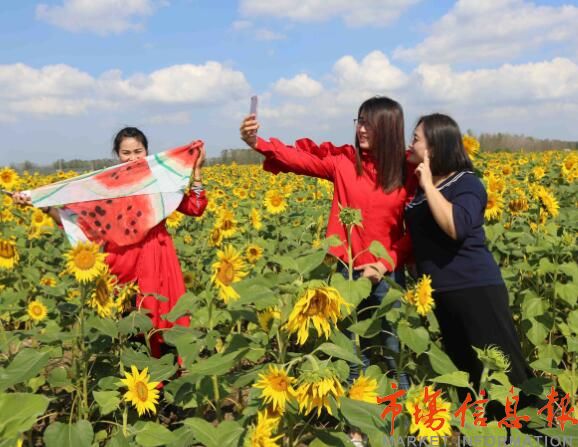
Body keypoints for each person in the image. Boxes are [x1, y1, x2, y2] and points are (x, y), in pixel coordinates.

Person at [240, 96, 416, 388]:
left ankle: (400, 417)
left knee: (393, 348)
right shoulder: (344, 163)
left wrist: (384, 264)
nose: (361, 129)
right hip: (346, 272)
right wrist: (256, 142)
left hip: (388, 274)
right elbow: (298, 159)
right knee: (349, 350)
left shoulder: (408, 172)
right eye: (359, 121)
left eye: (370, 124)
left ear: (389, 129)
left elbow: (415, 231)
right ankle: (357, 422)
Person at [13, 127, 207, 359]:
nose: (133, 158)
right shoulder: (105, 187)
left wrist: (196, 171)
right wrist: (41, 204)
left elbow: (195, 208)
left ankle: (162, 383)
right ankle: (135, 381)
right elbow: (80, 221)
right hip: (123, 264)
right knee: (130, 323)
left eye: (138, 151)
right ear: (117, 154)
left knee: (163, 320)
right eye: (126, 153)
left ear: (147, 151)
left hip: (158, 260)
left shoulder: (159, 182)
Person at [405, 113, 533, 398]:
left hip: (475, 291)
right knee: (468, 375)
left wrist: (427, 185)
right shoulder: (420, 190)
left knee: (504, 373)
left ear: (435, 147)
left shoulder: (466, 183)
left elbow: (457, 227)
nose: (409, 144)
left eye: (415, 139)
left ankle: (535, 432)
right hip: (441, 295)